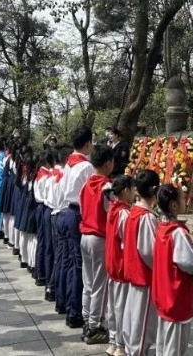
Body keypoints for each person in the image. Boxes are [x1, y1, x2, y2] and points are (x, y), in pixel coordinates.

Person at [152, 185, 193, 356]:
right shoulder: (178, 232)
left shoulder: (162, 228)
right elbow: (188, 262)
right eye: (182, 199)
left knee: (164, 344)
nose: (186, 201)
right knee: (174, 347)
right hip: (176, 296)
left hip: (163, 294)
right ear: (174, 206)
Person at [56, 126, 94, 329]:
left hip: (67, 211)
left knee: (69, 262)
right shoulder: (86, 167)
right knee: (79, 266)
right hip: (78, 213)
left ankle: (66, 304)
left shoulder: (69, 163)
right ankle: (75, 312)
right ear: (87, 143)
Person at [123, 170, 160, 356]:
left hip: (133, 271)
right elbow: (149, 251)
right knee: (143, 323)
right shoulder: (146, 217)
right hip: (144, 275)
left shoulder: (133, 212)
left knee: (134, 318)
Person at [80, 145, 114, 345]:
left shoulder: (86, 184)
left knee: (89, 282)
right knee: (101, 284)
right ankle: (95, 326)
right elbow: (111, 213)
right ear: (108, 163)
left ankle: (87, 320)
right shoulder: (107, 187)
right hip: (99, 237)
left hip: (85, 234)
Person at [105, 174, 135, 356]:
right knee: (122, 307)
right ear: (125, 191)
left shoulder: (113, 208)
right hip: (121, 263)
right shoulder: (124, 212)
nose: (134, 193)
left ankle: (113, 342)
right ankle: (121, 346)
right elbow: (126, 240)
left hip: (112, 262)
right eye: (133, 189)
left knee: (114, 305)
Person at [47, 144, 72, 304]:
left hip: (54, 213)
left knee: (59, 255)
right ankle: (56, 289)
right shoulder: (64, 175)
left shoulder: (53, 175)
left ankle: (53, 287)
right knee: (63, 257)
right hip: (62, 213)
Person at [34, 150, 56, 287]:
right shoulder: (46, 177)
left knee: (42, 242)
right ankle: (46, 276)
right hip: (45, 207)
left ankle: (40, 273)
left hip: (41, 208)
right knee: (47, 244)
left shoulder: (40, 174)